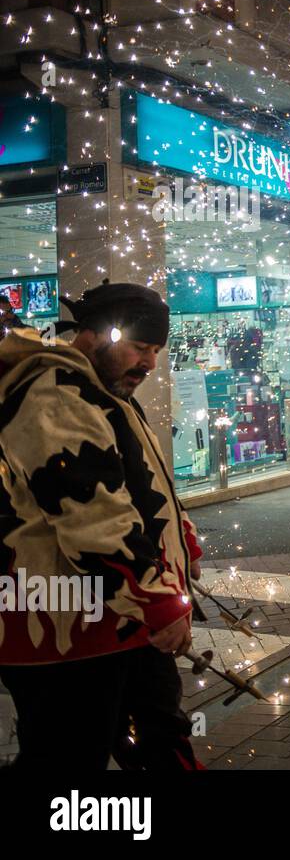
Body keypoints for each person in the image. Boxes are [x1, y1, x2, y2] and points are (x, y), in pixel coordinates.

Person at [0, 282, 204, 769]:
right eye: (140, 347)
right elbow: (92, 517)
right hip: (66, 634)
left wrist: (182, 542)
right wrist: (156, 601)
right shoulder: (56, 396)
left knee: (159, 735)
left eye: (156, 350)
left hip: (114, 621)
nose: (150, 363)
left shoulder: (98, 391)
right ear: (97, 335)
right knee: (67, 760)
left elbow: (137, 485)